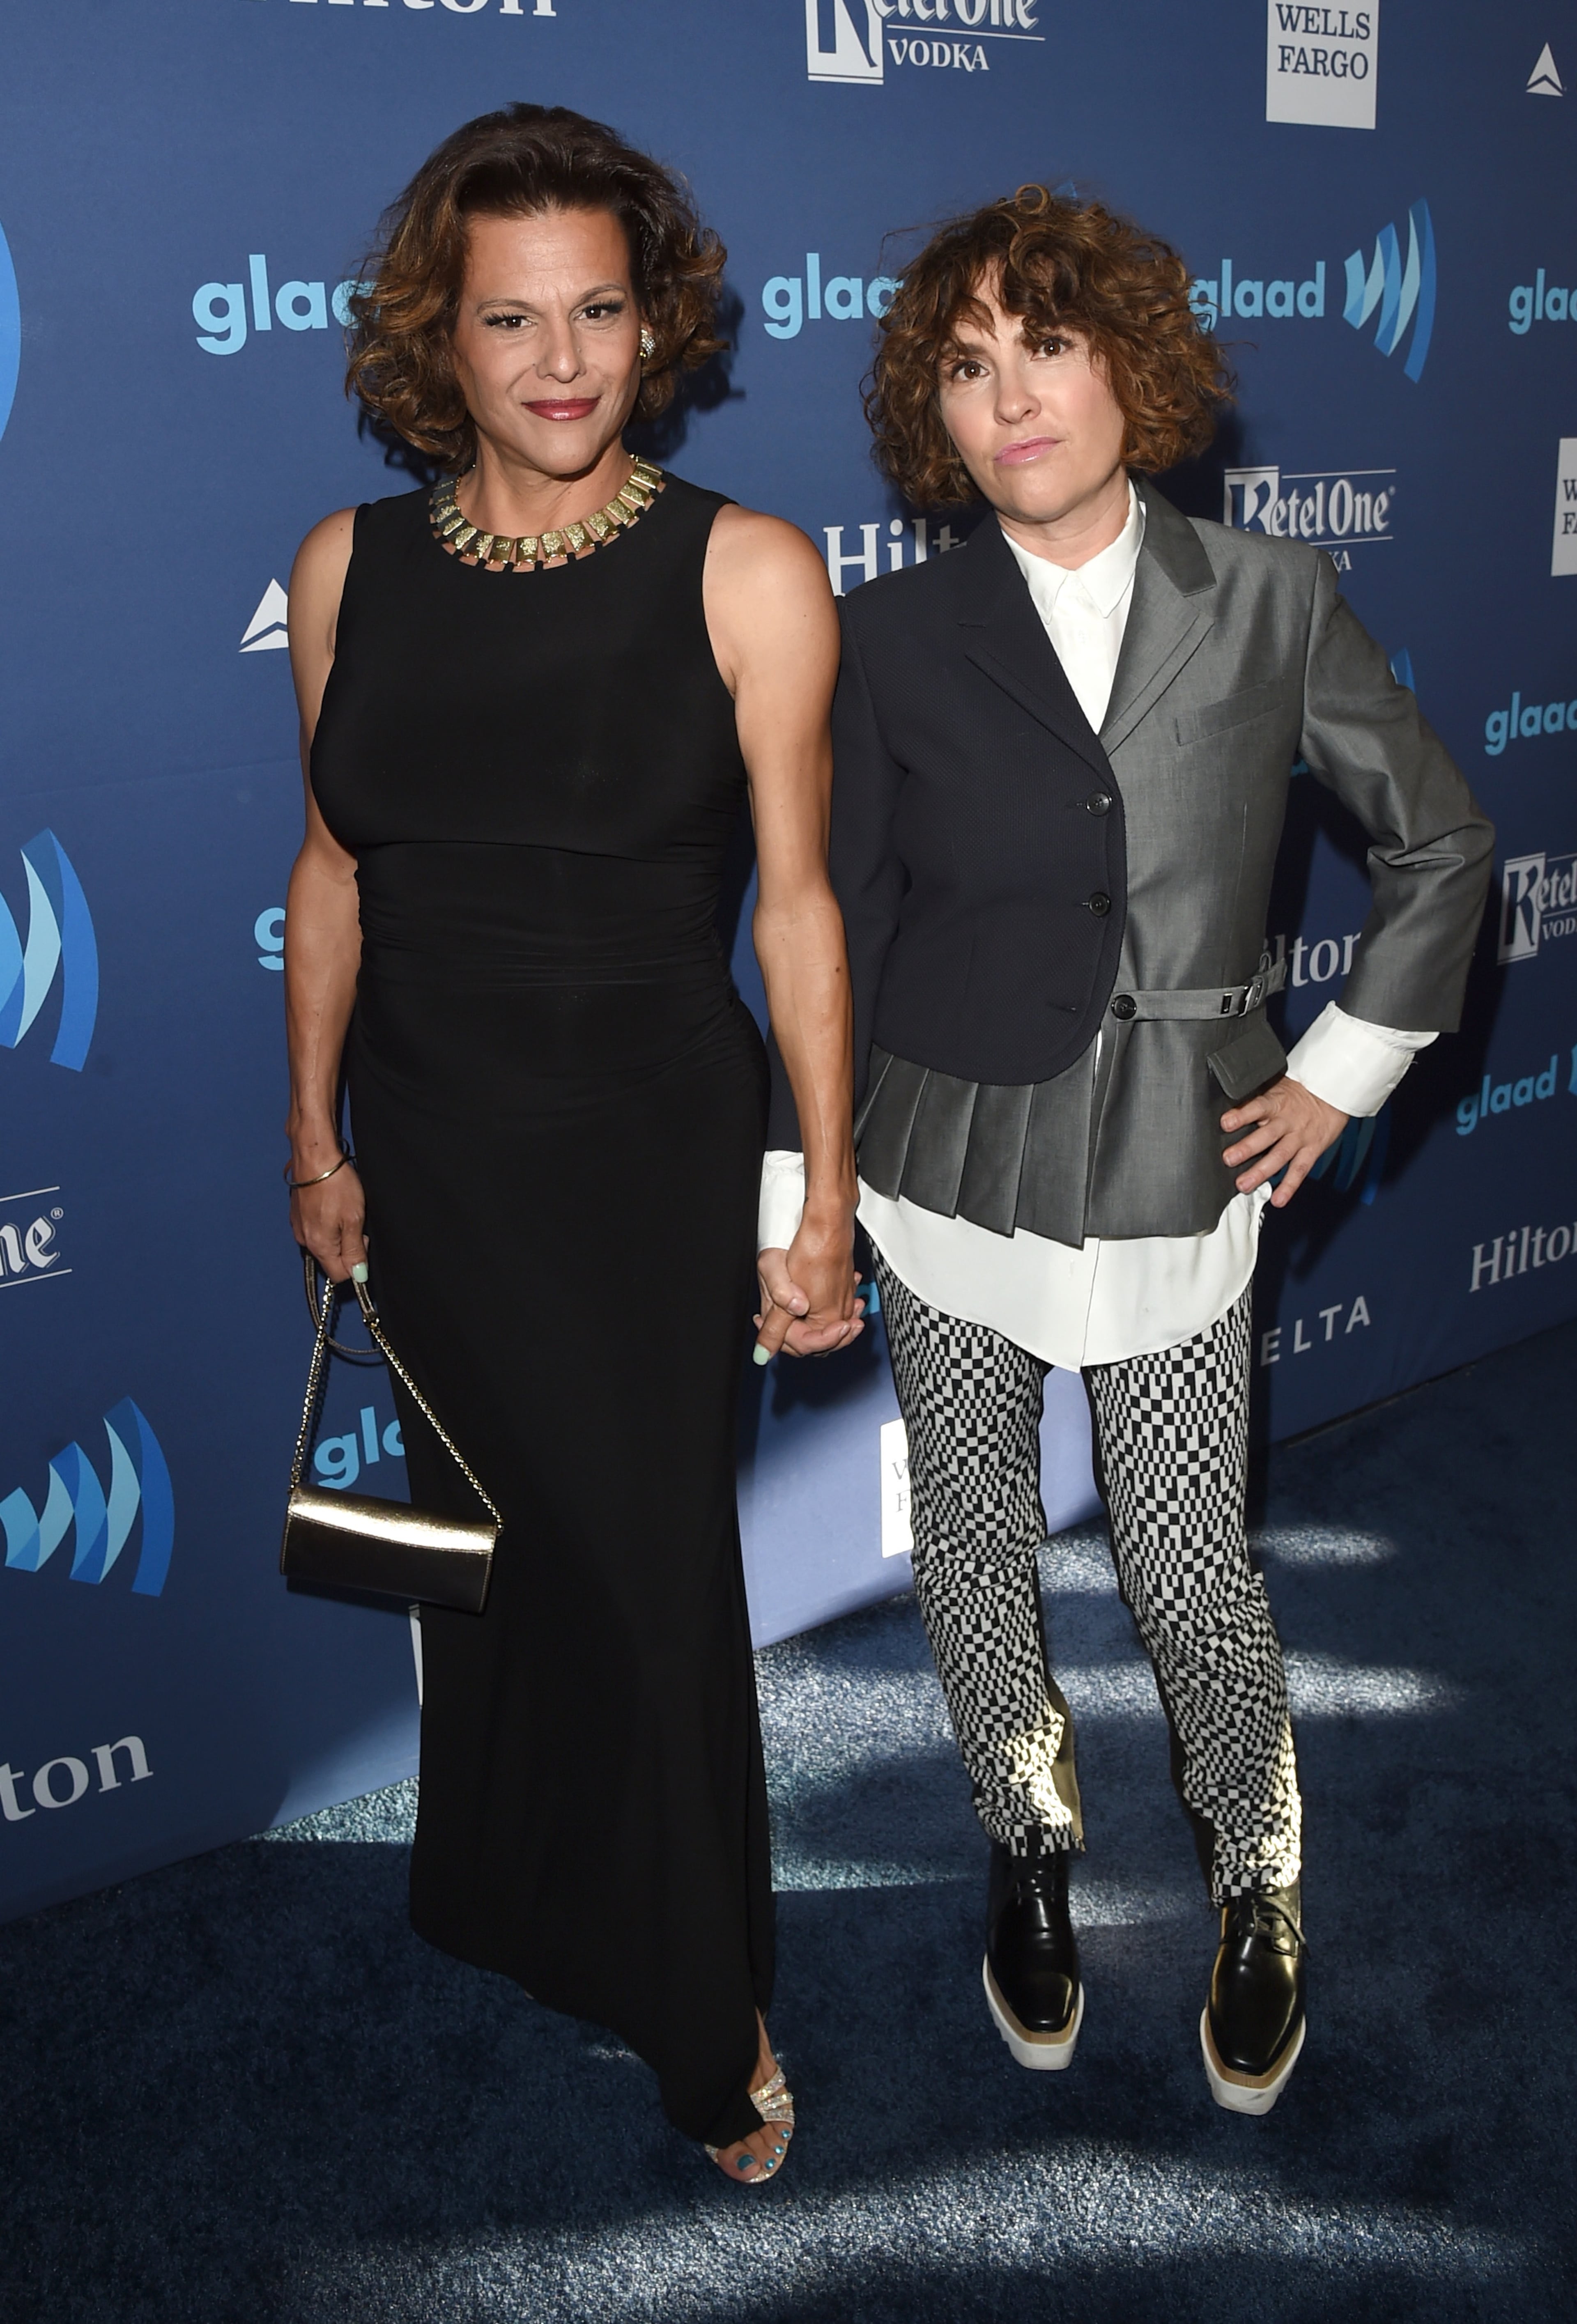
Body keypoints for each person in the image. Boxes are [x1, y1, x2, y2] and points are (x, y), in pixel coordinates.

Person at [756, 186, 1492, 2114]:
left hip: (1183, 1156)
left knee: (1186, 1563)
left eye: (1050, 348)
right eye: (970, 365)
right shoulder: (889, 630)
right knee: (977, 1537)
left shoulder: (1270, 598)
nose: (1014, 400)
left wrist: (1338, 1068)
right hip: (938, 1162)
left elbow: (1441, 844)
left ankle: (1258, 1872)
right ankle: (1028, 1831)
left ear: (1130, 363)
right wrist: (801, 1195)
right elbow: (833, 918)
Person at [282, 103, 861, 2181]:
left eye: (599, 310)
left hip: (638, 1151)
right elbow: (336, 872)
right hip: (432, 1150)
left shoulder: (752, 570)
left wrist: (821, 1195)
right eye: (509, 316)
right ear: (436, 338)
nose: (558, 357)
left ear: (657, 320)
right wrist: (312, 1133)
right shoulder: (345, 567)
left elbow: (797, 907)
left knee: (647, 1587)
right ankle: (516, 1894)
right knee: (492, 1567)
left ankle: (709, 2008)